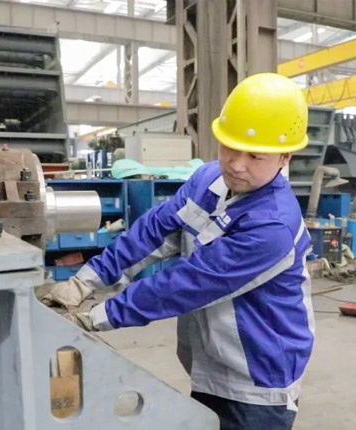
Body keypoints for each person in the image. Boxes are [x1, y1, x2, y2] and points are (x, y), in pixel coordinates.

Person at [41, 73, 315, 430]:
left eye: (254, 156)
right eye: (229, 147)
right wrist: (84, 282)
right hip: (210, 361)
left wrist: (97, 317)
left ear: (284, 157)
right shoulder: (208, 180)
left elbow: (189, 284)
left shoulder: (272, 225)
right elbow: (155, 232)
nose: (236, 164)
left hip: (257, 378)